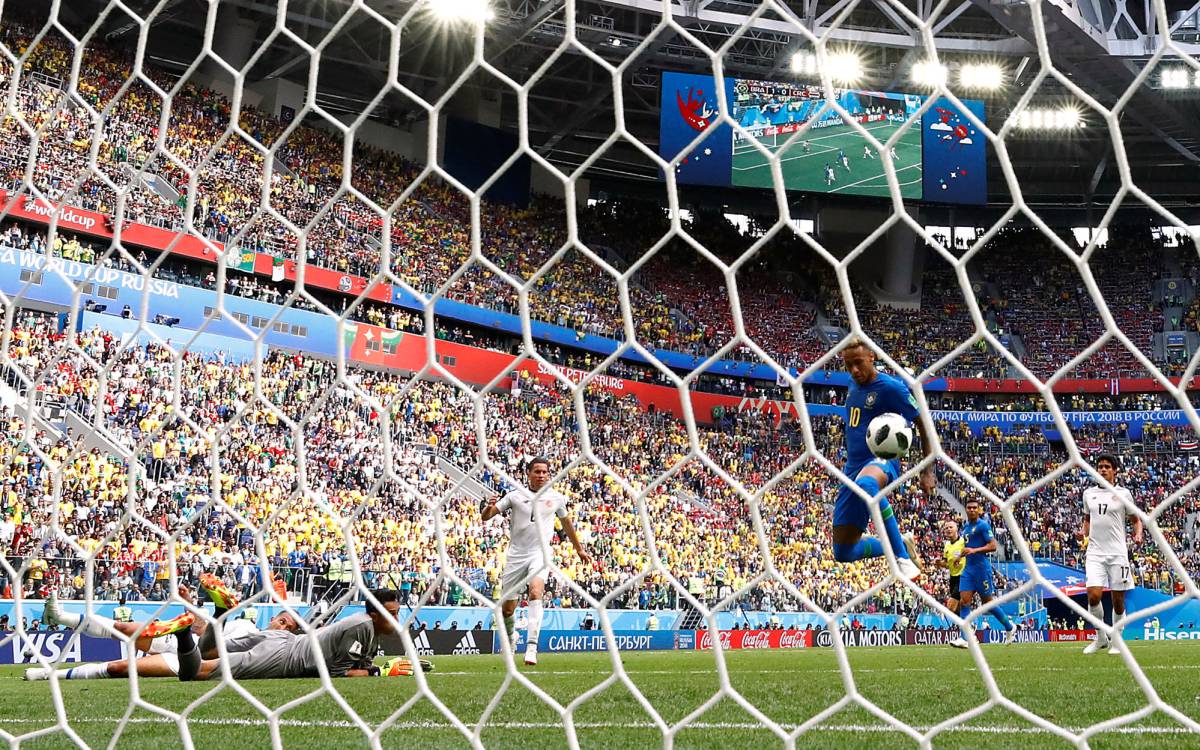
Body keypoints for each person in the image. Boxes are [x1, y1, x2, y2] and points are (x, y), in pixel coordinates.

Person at [832, 340, 934, 580]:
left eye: (858, 363)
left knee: (868, 485)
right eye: (848, 365)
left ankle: (902, 558)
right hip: (852, 468)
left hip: (882, 459)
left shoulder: (892, 388)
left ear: (872, 357)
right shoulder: (853, 383)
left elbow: (924, 424)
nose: (854, 370)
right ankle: (901, 543)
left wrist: (927, 470)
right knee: (844, 551)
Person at [482, 457, 591, 666]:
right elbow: (486, 517)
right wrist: (489, 507)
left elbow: (566, 523)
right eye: (537, 471)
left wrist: (579, 549)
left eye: (544, 472)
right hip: (516, 555)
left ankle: (531, 647)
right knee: (507, 610)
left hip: (540, 553)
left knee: (535, 592)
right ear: (528, 473)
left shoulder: (556, 498)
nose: (541, 475)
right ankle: (512, 637)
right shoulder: (514, 496)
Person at [171, 589, 404, 681]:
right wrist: (379, 672)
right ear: (374, 615)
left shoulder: (369, 630)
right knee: (196, 672)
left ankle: (220, 613)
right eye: (391, 614)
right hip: (283, 657)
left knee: (208, 651)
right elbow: (339, 673)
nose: (396, 619)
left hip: (281, 639)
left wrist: (373, 669)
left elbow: (360, 666)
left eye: (397, 613)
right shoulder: (362, 626)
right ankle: (183, 635)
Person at [1081, 454, 1143, 654]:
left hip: (1117, 553)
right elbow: (1087, 519)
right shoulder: (1088, 494)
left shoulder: (1124, 494)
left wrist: (1138, 534)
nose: (1103, 469)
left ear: (1115, 470)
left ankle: (1117, 640)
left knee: (1118, 601)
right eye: (1100, 466)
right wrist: (1083, 533)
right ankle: (1100, 638)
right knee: (1093, 596)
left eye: (1107, 466)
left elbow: (1136, 520)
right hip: (1095, 552)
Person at [950, 499, 1019, 648]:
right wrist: (959, 556)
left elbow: (993, 546)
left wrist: (974, 550)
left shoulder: (983, 526)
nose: (972, 510)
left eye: (975, 508)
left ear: (979, 510)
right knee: (964, 602)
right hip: (968, 570)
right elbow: (968, 548)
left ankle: (1009, 627)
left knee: (988, 603)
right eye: (969, 507)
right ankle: (966, 638)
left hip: (981, 569)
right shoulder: (966, 527)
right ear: (966, 510)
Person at [936, 521, 966, 616]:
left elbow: (970, 552)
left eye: (951, 527)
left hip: (963, 576)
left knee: (951, 606)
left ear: (956, 528)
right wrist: (939, 563)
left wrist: (960, 557)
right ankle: (964, 622)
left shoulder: (963, 542)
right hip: (953, 577)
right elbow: (946, 564)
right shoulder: (947, 545)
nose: (948, 529)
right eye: (946, 528)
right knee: (957, 608)